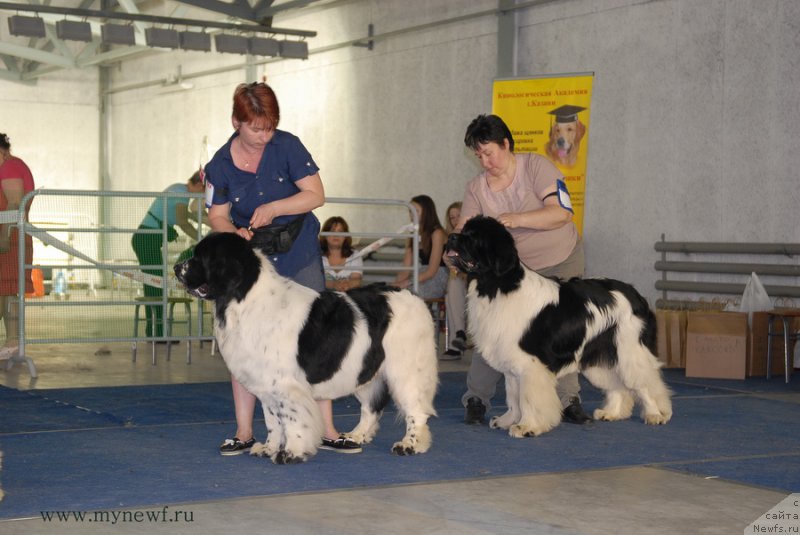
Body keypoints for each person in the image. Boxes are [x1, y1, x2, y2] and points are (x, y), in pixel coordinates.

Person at [204, 82, 360, 455]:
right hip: (250, 267)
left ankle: (326, 428)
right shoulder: (218, 165)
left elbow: (315, 195)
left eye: (269, 127)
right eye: (255, 128)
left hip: (298, 254)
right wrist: (234, 234)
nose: (263, 135)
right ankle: (244, 432)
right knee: (244, 345)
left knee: (315, 340)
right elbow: (217, 215)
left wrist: (275, 208)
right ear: (236, 122)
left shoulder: (288, 146)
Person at [456, 114, 592, 426]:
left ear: (506, 144)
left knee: (563, 331)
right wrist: (458, 247)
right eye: (478, 155)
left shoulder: (537, 167)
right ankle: (477, 397)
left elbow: (561, 213)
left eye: (489, 152)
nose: (485, 161)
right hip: (512, 271)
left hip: (559, 258)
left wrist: (516, 219)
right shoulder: (476, 187)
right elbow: (466, 229)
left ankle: (568, 400)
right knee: (492, 330)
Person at [131, 171, 207, 339]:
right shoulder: (181, 192)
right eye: (203, 191)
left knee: (155, 284)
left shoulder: (180, 191)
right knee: (155, 285)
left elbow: (191, 216)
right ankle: (157, 333)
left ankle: (156, 331)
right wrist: (203, 240)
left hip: (148, 239)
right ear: (198, 185)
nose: (202, 196)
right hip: (146, 239)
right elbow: (183, 223)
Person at [0, 133, 35, 361]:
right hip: (11, 233)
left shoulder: (10, 167)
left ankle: (12, 342)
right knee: (3, 292)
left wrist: (4, 235)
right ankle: (10, 342)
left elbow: (14, 203)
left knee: (8, 290)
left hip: (10, 236)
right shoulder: (12, 165)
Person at [392, 195, 448, 299]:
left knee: (411, 295)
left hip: (437, 276)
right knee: (394, 294)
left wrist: (406, 283)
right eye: (410, 211)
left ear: (427, 212)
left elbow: (432, 271)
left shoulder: (437, 233)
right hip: (421, 275)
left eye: (416, 211)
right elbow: (406, 268)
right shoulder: (412, 234)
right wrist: (395, 285)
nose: (412, 215)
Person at [440, 201, 469, 360]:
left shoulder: (477, 238)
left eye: (459, 215)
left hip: (482, 282)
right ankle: (459, 334)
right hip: (463, 282)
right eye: (452, 218)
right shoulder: (452, 242)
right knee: (453, 284)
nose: (456, 220)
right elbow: (456, 269)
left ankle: (457, 339)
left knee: (453, 286)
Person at [320, 216, 362, 291]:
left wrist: (347, 285)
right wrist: (334, 285)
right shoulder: (317, 257)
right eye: (332, 231)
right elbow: (317, 280)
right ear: (325, 235)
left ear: (345, 236)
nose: (336, 235)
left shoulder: (355, 255)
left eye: (340, 231)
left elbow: (356, 280)